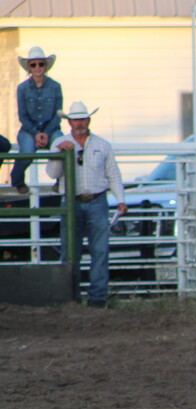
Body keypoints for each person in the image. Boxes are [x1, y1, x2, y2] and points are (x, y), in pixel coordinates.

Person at [45, 101, 127, 308]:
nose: (79, 123)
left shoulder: (102, 145)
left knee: (100, 250)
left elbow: (113, 174)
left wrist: (121, 199)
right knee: (71, 251)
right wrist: (59, 155)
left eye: (82, 119)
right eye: (76, 120)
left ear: (88, 120)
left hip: (97, 199)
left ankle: (96, 298)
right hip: (72, 201)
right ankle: (70, 296)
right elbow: (53, 174)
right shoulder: (60, 143)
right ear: (69, 122)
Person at [13, 46, 63, 194]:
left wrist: (46, 133)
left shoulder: (55, 87)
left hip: (51, 128)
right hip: (29, 129)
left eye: (40, 64)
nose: (37, 67)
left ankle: (60, 181)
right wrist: (36, 133)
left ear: (45, 66)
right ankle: (18, 180)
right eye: (33, 64)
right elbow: (22, 115)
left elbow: (58, 114)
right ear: (29, 67)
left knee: (62, 147)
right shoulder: (22, 88)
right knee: (27, 152)